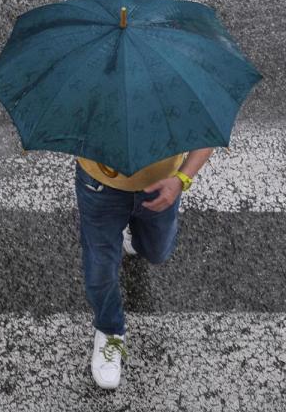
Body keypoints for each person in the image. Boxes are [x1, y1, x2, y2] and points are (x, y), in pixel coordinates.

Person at [74, 147, 215, 389]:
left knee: (156, 251)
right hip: (98, 185)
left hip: (161, 183)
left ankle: (134, 230)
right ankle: (109, 330)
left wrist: (182, 179)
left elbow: (208, 133)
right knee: (100, 270)